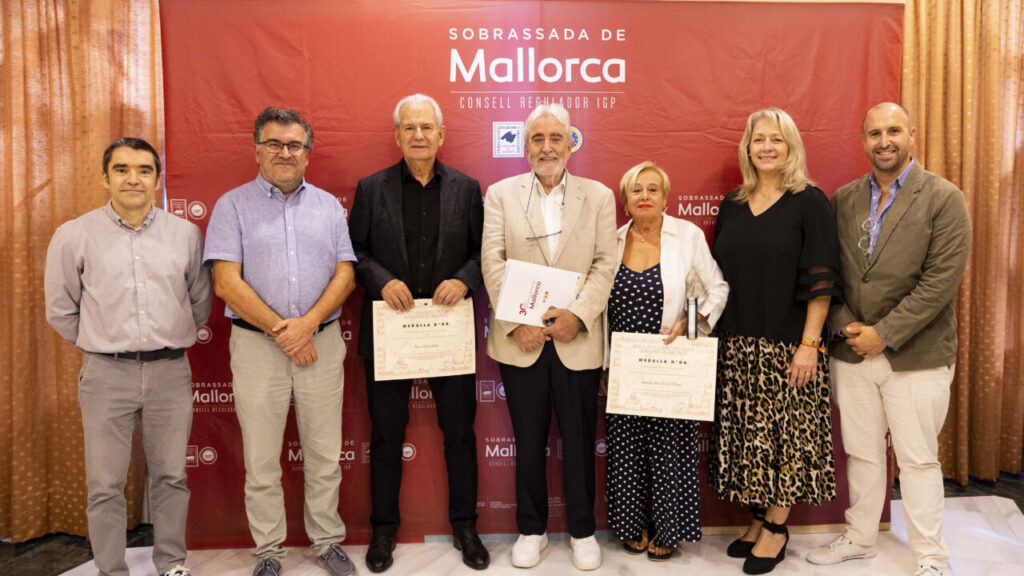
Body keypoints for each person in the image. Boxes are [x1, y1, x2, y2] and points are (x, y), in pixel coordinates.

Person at [806, 103, 970, 576]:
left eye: (894, 131)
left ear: (911, 135)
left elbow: (940, 282)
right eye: (875, 133)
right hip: (851, 351)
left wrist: (884, 334)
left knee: (918, 460)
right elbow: (829, 272)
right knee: (861, 453)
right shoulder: (843, 199)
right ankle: (860, 538)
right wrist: (847, 326)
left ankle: (931, 557)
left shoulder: (944, 197)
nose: (884, 141)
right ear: (863, 141)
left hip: (916, 355)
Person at [44, 138, 212, 576]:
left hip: (170, 372)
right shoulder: (74, 235)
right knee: (105, 484)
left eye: (143, 169)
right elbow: (60, 309)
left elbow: (199, 301)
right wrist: (103, 342)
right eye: (121, 169)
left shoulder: (185, 234)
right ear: (105, 177)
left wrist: (165, 338)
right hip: (105, 374)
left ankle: (171, 563)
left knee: (171, 477)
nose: (133, 178)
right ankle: (110, 569)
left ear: (157, 178)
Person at [204, 107, 358, 576]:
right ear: (257, 150)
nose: (284, 152)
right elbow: (226, 282)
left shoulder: (329, 207)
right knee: (261, 459)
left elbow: (346, 274)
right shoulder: (232, 206)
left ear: (307, 153)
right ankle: (268, 551)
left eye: (294, 145)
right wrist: (286, 333)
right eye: (274, 143)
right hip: (258, 348)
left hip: (321, 342)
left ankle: (327, 541)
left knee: (325, 455)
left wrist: (307, 325)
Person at [348, 94, 488, 573]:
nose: (419, 135)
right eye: (409, 127)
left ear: (441, 134)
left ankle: (466, 527)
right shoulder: (371, 189)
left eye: (427, 127)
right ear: (397, 135)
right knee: (386, 436)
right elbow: (355, 251)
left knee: (460, 435)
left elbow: (483, 254)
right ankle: (383, 531)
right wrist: (382, 281)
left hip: (449, 332)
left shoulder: (467, 189)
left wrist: (464, 280)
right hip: (392, 332)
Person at [481, 103, 617, 571]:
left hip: (576, 339)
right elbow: (492, 261)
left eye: (555, 137)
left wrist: (578, 316)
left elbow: (605, 264)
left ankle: (582, 531)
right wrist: (516, 322)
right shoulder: (501, 195)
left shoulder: (598, 196)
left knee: (579, 442)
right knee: (528, 439)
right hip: (521, 341)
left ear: (570, 143)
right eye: (537, 139)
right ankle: (531, 529)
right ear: (525, 146)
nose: (546, 147)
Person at [710, 108, 841, 575]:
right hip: (738, 345)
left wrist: (810, 345)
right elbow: (717, 275)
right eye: (759, 139)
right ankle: (759, 518)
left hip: (789, 346)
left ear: (791, 147)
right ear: (747, 148)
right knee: (754, 441)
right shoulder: (733, 204)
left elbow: (822, 281)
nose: (767, 147)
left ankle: (777, 529)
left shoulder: (809, 201)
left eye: (776, 139)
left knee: (787, 440)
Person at [602, 161, 729, 561]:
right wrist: (605, 364)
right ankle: (631, 524)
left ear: (666, 198)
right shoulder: (610, 241)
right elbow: (600, 308)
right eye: (636, 190)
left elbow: (717, 288)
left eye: (652, 189)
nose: (644, 196)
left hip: (672, 363)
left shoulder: (687, 235)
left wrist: (691, 322)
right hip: (624, 366)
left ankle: (669, 528)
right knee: (625, 447)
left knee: (671, 448)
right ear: (625, 202)